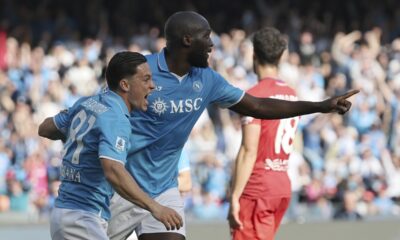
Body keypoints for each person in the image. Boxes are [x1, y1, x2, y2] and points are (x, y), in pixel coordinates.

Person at [43, 11, 358, 240]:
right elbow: (105, 109)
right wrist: (66, 126)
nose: (213, 44)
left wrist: (320, 106)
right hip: (124, 189)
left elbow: (258, 106)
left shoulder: (207, 80)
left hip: (164, 189)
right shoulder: (143, 71)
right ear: (187, 40)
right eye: (207, 37)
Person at [38, 52, 183, 240]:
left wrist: (72, 118)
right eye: (145, 79)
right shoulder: (116, 118)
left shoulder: (87, 102)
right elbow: (113, 170)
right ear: (125, 85)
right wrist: (156, 207)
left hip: (65, 214)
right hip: (83, 218)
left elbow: (45, 128)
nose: (152, 86)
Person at [227, 27, 299, 240]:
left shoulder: (254, 96)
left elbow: (249, 150)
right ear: (281, 56)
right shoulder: (292, 94)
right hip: (281, 185)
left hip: (257, 188)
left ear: (254, 55)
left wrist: (234, 196)